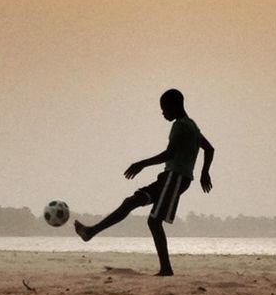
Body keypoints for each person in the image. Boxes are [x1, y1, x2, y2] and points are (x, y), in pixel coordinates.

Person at [74, 88, 214, 276]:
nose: (163, 113)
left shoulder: (181, 126)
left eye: (164, 109)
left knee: (154, 222)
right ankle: (91, 232)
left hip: (176, 177)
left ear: (174, 106)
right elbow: (209, 149)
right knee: (131, 202)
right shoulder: (192, 125)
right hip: (170, 177)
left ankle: (166, 268)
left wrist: (142, 164)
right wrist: (205, 172)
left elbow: (170, 154)